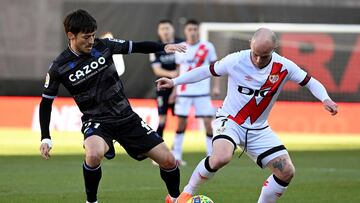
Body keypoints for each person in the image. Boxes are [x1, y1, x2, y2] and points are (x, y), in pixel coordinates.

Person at [156, 28, 338, 203]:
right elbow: (206, 71)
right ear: (251, 43)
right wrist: (174, 81)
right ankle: (185, 195)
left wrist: (326, 99)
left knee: (286, 171)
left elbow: (310, 82)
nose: (258, 60)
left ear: (274, 49)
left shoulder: (284, 66)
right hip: (230, 120)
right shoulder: (236, 60)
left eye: (264, 56)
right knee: (221, 157)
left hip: (259, 129)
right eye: (255, 53)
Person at [38, 9, 186, 203]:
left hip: (126, 117)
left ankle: (175, 199)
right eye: (86, 37)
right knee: (93, 154)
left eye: (93, 35)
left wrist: (164, 46)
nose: (91, 41)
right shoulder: (59, 66)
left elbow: (135, 46)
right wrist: (45, 137)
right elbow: (46, 102)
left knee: (169, 161)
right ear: (71, 35)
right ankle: (92, 201)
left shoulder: (104, 46)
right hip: (97, 121)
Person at [171, 19, 220, 165]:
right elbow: (179, 70)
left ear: (198, 30)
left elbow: (215, 68)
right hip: (184, 92)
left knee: (207, 123)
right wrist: (174, 90)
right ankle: (177, 156)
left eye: (194, 29)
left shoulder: (207, 46)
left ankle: (211, 157)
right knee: (181, 124)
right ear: (185, 31)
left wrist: (216, 86)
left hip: (202, 92)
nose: (192, 32)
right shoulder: (180, 48)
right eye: (189, 29)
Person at [149, 20, 183, 139]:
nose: (165, 31)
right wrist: (173, 74)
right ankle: (158, 146)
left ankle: (177, 149)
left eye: (167, 28)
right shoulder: (155, 47)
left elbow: (186, 64)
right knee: (162, 118)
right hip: (163, 86)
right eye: (162, 29)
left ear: (172, 29)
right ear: (159, 31)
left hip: (180, 86)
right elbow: (157, 70)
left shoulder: (181, 44)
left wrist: (178, 78)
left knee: (181, 118)